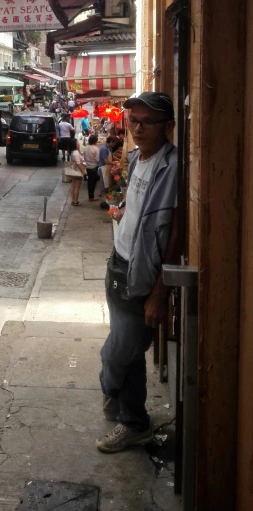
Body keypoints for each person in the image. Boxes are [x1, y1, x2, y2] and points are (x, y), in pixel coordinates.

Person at [96, 92, 178, 453]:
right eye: (134, 121)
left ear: (169, 126)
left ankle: (115, 397)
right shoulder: (136, 158)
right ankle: (132, 418)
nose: (138, 127)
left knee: (117, 354)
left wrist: (161, 292)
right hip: (118, 264)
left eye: (148, 121)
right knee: (125, 351)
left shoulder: (172, 167)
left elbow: (175, 233)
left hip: (141, 277)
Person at [70, 134, 86, 206]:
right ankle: (76, 201)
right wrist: (83, 171)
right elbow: (78, 163)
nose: (79, 143)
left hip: (74, 170)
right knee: (77, 186)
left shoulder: (74, 151)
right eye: (77, 143)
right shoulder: (76, 153)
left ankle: (73, 200)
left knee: (73, 186)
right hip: (77, 171)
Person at [83, 134, 100, 201]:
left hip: (88, 167)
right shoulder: (95, 149)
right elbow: (97, 159)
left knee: (90, 182)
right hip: (94, 167)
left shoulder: (86, 147)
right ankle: (91, 197)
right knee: (93, 182)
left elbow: (84, 157)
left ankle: (90, 196)